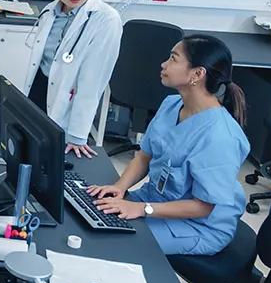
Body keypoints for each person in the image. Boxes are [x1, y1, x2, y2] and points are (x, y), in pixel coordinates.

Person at [88, 35, 250, 256]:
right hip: (155, 202)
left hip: (197, 225)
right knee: (93, 217)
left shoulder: (221, 137)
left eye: (173, 59)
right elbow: (144, 156)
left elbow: (204, 206)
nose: (164, 64)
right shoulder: (171, 105)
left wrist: (141, 209)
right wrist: (120, 187)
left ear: (197, 74)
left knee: (113, 242)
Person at [21, 0, 122, 158]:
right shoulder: (51, 11)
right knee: (26, 155)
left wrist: (77, 135)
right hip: (38, 91)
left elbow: (92, 82)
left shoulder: (106, 20)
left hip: (66, 100)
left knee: (49, 162)